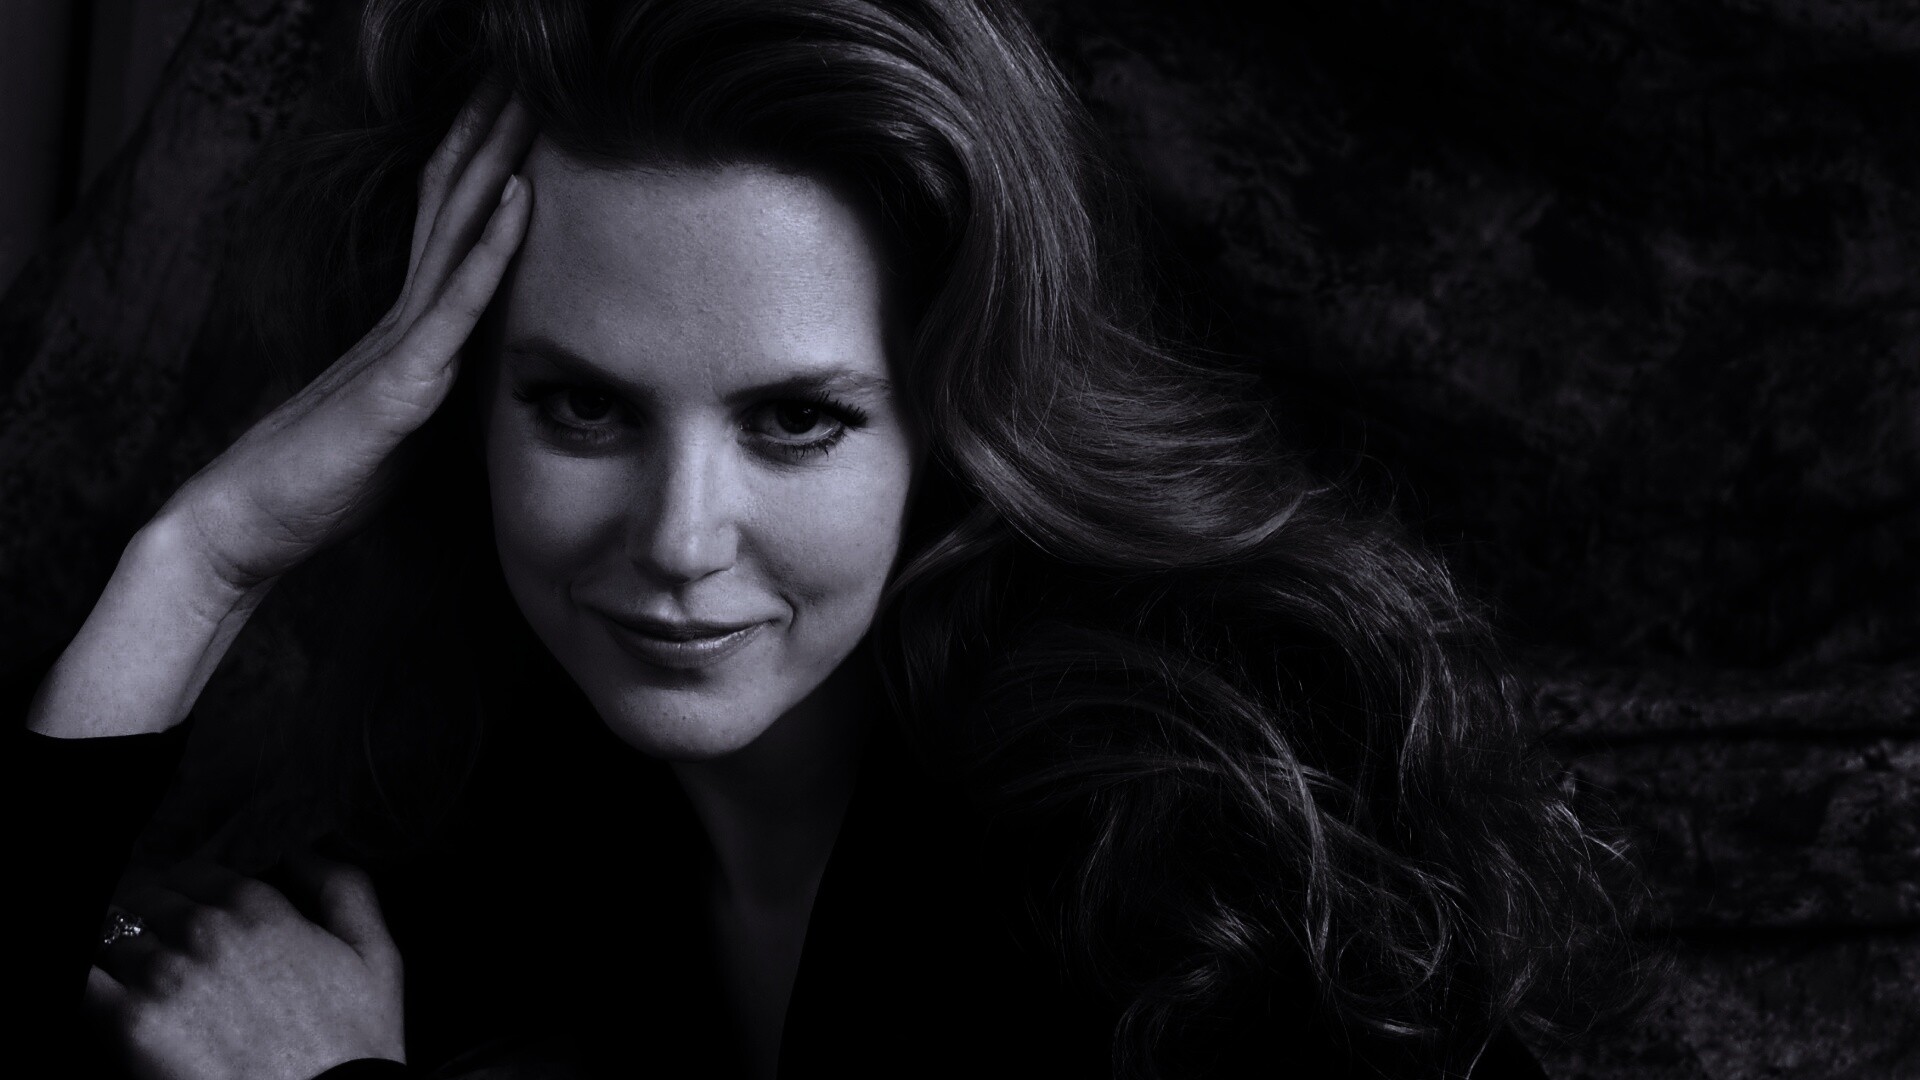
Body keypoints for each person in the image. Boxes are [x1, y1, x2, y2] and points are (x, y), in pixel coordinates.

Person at [13, 0, 1640, 1076]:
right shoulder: (517, 791)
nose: (677, 538)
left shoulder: (1182, 838)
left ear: (954, 420)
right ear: (463, 410)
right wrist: (205, 557)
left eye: (795, 420)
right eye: (582, 408)